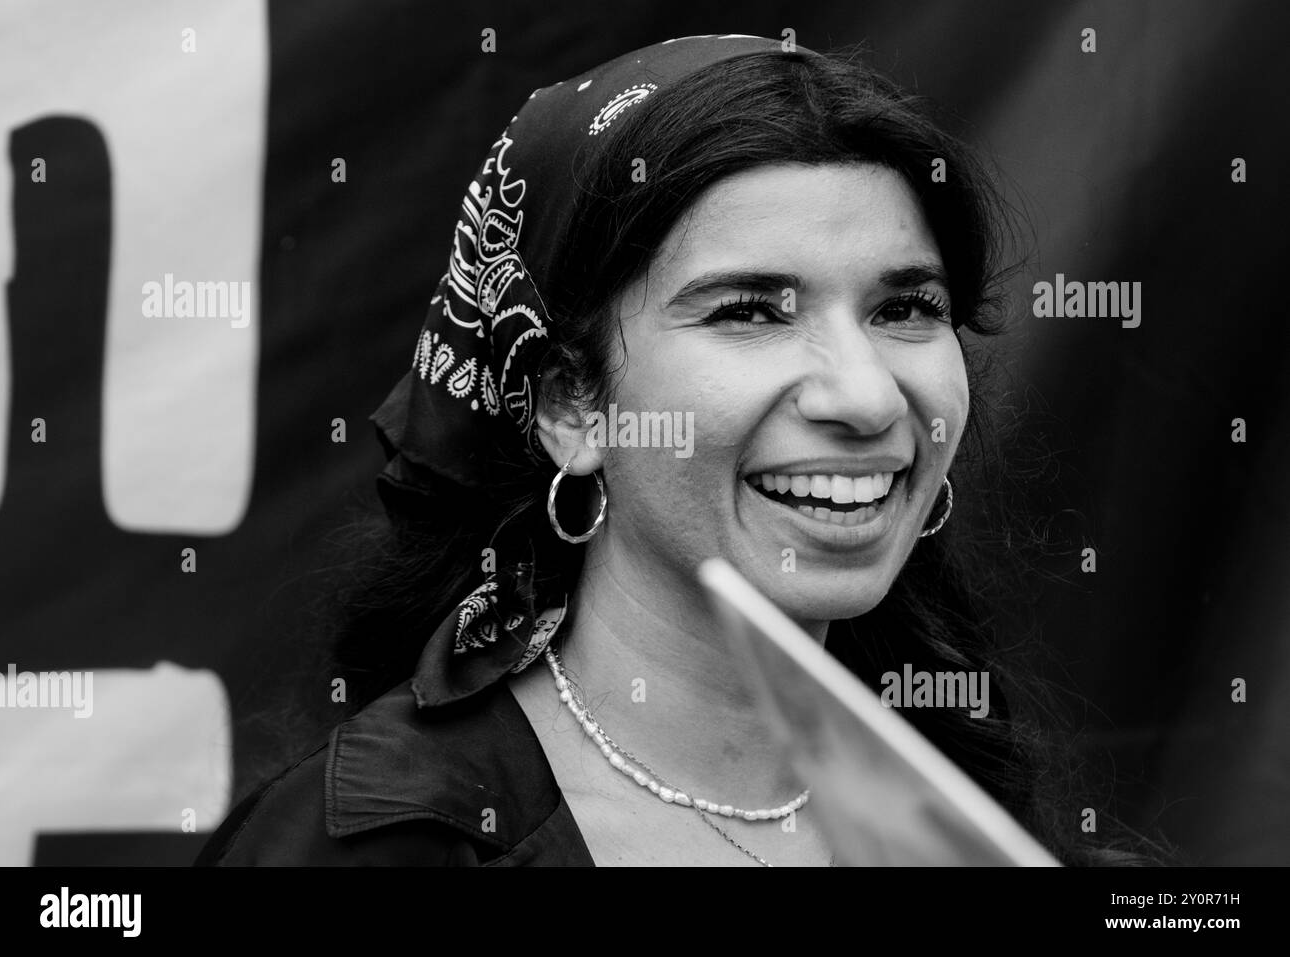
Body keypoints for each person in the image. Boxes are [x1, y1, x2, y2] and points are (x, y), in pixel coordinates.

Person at [196, 34, 1147, 867]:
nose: (863, 396)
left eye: (905, 308)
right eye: (750, 311)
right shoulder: (374, 840)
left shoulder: (977, 812)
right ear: (570, 404)